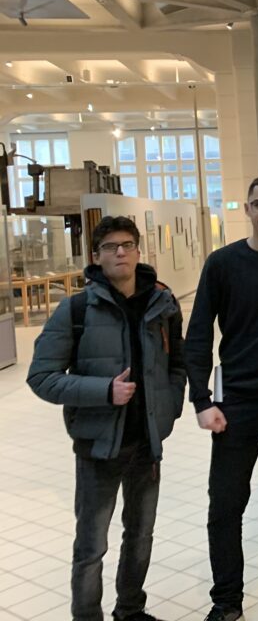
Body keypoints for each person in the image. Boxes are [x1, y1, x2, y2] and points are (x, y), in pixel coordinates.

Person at [28, 215, 186, 621]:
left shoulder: (162, 304)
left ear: (138, 251)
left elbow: (177, 364)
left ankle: (130, 610)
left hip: (147, 444)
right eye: (111, 247)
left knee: (141, 535)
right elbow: (41, 377)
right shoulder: (77, 309)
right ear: (96, 256)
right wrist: (103, 391)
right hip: (99, 447)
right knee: (92, 544)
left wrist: (168, 410)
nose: (120, 252)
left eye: (127, 245)